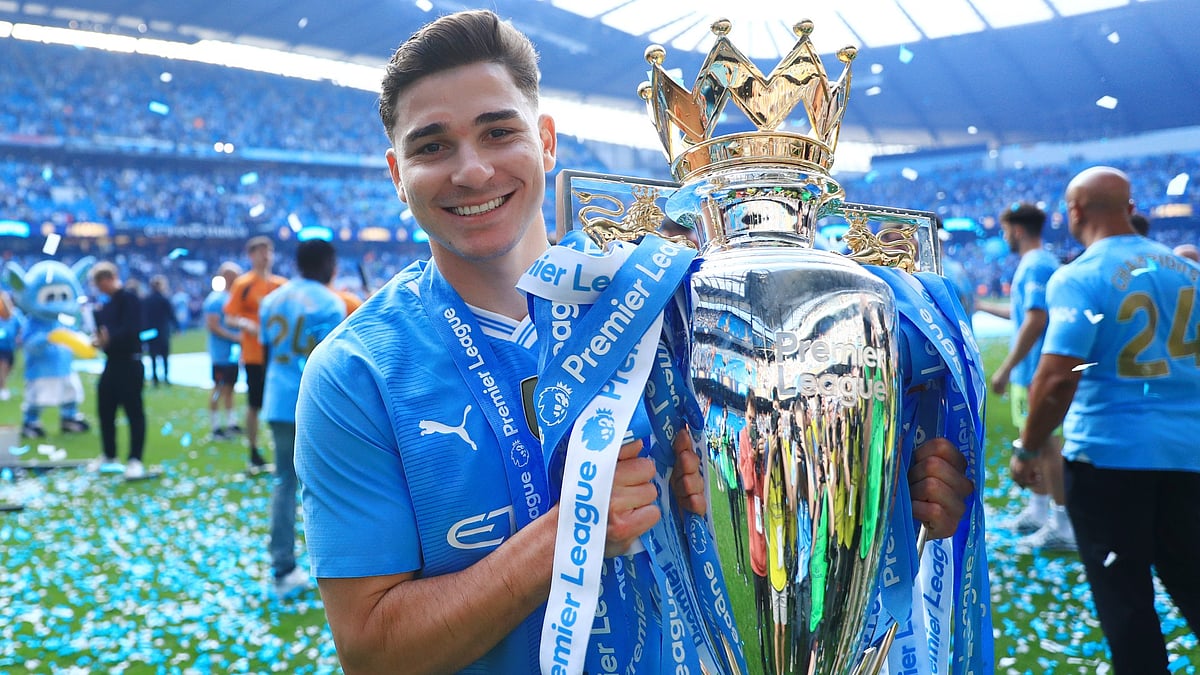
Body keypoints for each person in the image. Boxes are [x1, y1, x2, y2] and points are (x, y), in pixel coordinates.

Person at [294, 10, 973, 673]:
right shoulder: (356, 372)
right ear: (395, 172)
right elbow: (372, 648)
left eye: (498, 132)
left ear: (547, 141)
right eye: (432, 145)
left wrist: (866, 499)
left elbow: (752, 522)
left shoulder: (672, 309)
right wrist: (574, 533)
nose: (471, 171)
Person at [1012, 166, 1200, 673]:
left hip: (1111, 459)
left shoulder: (1079, 276)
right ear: (1130, 205)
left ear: (1074, 212)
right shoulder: (1191, 274)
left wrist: (1028, 448)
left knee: (1128, 606)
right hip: (1189, 458)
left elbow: (1056, 381)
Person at [976, 202, 1074, 550]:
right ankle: (1039, 511)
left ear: (1016, 229)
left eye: (1004, 231)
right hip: (1029, 372)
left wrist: (1005, 368)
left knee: (1047, 445)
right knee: (1039, 444)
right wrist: (983, 306)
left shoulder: (1036, 264)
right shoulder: (1035, 264)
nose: (1004, 237)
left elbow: (1036, 320)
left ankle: (1063, 525)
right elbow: (1021, 316)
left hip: (1035, 371)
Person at [260, 239, 347, 599]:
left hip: (278, 399)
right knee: (334, 486)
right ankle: (343, 571)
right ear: (328, 263)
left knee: (284, 483)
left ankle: (282, 566)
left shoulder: (272, 299)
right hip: (316, 404)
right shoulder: (329, 301)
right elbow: (332, 361)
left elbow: (268, 350)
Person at [224, 236, 285, 469]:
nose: (266, 255)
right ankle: (253, 449)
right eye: (260, 251)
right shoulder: (243, 284)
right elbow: (229, 316)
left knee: (280, 402)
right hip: (254, 354)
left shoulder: (281, 284)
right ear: (251, 255)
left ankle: (282, 449)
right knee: (255, 402)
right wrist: (245, 324)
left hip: (280, 355)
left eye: (269, 250)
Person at [89, 262, 147, 480]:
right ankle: (109, 454)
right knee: (105, 408)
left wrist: (109, 338)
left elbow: (132, 329)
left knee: (134, 411)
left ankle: (135, 459)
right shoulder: (108, 305)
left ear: (109, 278)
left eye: (100, 283)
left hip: (130, 362)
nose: (99, 289)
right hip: (112, 363)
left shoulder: (129, 298)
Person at [204, 263, 243, 441]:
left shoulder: (233, 297)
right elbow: (212, 325)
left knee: (230, 388)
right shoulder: (216, 300)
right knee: (219, 388)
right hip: (220, 353)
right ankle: (215, 426)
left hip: (232, 354)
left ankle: (231, 423)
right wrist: (233, 337)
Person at [142, 274, 178, 387]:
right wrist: (176, 327)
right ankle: (166, 377)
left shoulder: (146, 300)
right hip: (162, 330)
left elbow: (142, 316)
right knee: (164, 355)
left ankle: (155, 379)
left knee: (152, 355)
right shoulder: (164, 299)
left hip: (150, 332)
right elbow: (171, 314)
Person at [0, 290, 20, 401]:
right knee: (2, 367)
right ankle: (3, 389)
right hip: (1, 346)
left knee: (8, 368)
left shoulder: (15, 314)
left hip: (10, 346)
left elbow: (20, 327)